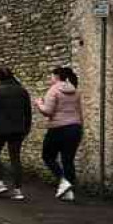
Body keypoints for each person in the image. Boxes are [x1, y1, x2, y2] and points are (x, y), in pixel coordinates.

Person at [0, 67, 32, 201]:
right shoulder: (22, 91)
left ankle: (0, 183)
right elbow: (28, 112)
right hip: (18, 130)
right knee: (15, 158)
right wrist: (26, 128)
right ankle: (18, 190)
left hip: (1, 129)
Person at [36, 66, 84, 202]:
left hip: (58, 128)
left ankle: (63, 182)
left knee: (47, 156)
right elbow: (79, 112)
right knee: (68, 160)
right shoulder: (75, 90)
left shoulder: (54, 90)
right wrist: (81, 128)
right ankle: (69, 192)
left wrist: (39, 103)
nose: (50, 79)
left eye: (51, 76)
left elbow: (48, 111)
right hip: (75, 128)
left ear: (56, 77)